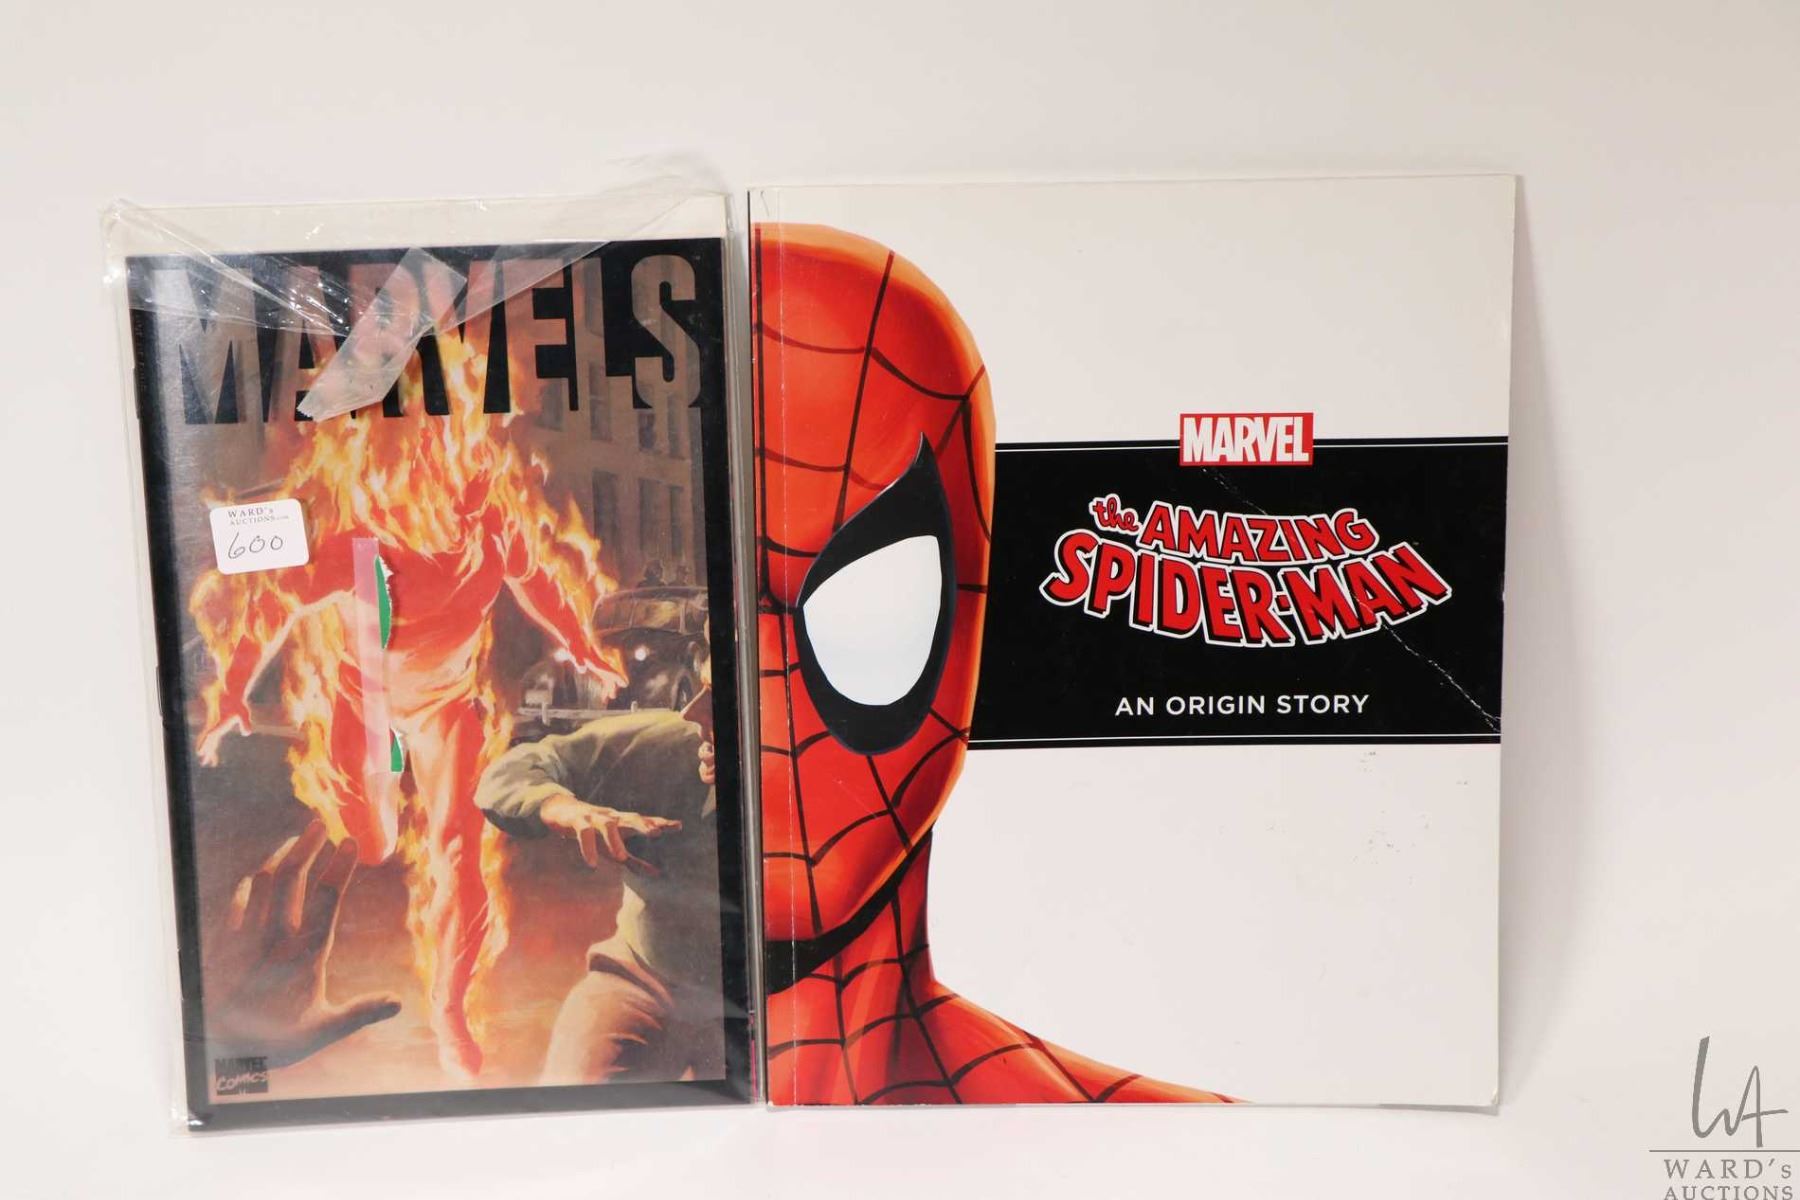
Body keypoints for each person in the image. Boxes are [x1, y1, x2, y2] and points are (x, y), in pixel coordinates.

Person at [474, 668, 724, 1084]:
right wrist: (565, 809)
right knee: (572, 1092)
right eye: (703, 688)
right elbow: (511, 773)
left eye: (723, 696)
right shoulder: (664, 743)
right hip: (644, 978)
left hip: (760, 1002)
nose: (695, 713)